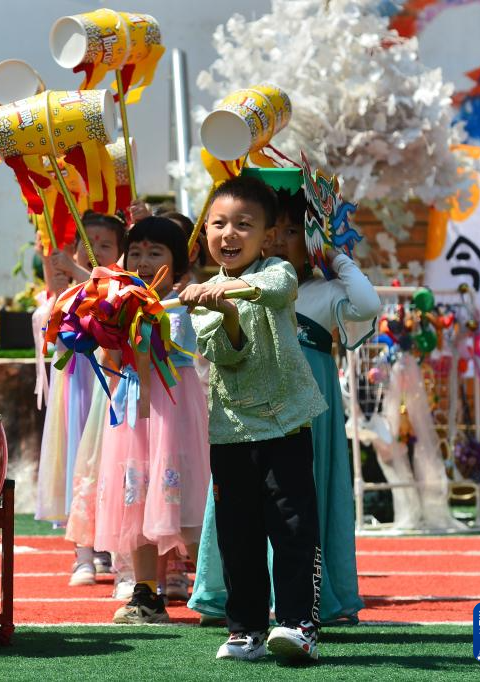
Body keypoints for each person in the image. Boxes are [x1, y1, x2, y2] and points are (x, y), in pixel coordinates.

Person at [179, 177, 326, 662]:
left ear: (267, 235)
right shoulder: (203, 298)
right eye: (219, 223)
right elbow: (228, 354)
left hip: (286, 423)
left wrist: (230, 292)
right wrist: (225, 312)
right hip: (231, 431)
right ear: (205, 232)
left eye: (244, 224)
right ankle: (246, 631)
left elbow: (278, 290)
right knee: (237, 537)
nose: (229, 234)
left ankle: (299, 626)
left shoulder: (277, 270)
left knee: (293, 529)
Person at [267, 186, 379, 624]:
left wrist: (335, 257)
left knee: (306, 494)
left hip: (311, 411)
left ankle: (313, 594)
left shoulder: (326, 292)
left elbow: (367, 304)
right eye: (271, 229)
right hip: (259, 404)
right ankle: (239, 592)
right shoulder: (246, 285)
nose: (278, 240)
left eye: (292, 230)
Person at [92, 216, 210, 624]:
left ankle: (218, 588)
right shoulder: (119, 303)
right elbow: (108, 356)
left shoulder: (185, 301)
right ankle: (145, 592)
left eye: (155, 252)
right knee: (136, 496)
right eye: (136, 252)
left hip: (172, 409)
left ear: (177, 263)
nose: (143, 261)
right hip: (132, 410)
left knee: (184, 495)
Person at [35, 212, 125, 587]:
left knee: (109, 462)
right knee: (79, 462)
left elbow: (109, 300)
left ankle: (110, 550)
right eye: (87, 243)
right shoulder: (66, 294)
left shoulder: (122, 289)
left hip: (108, 388)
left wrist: (75, 270)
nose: (95, 250)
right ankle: (83, 555)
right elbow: (48, 336)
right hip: (75, 391)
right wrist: (56, 283)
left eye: (105, 244)